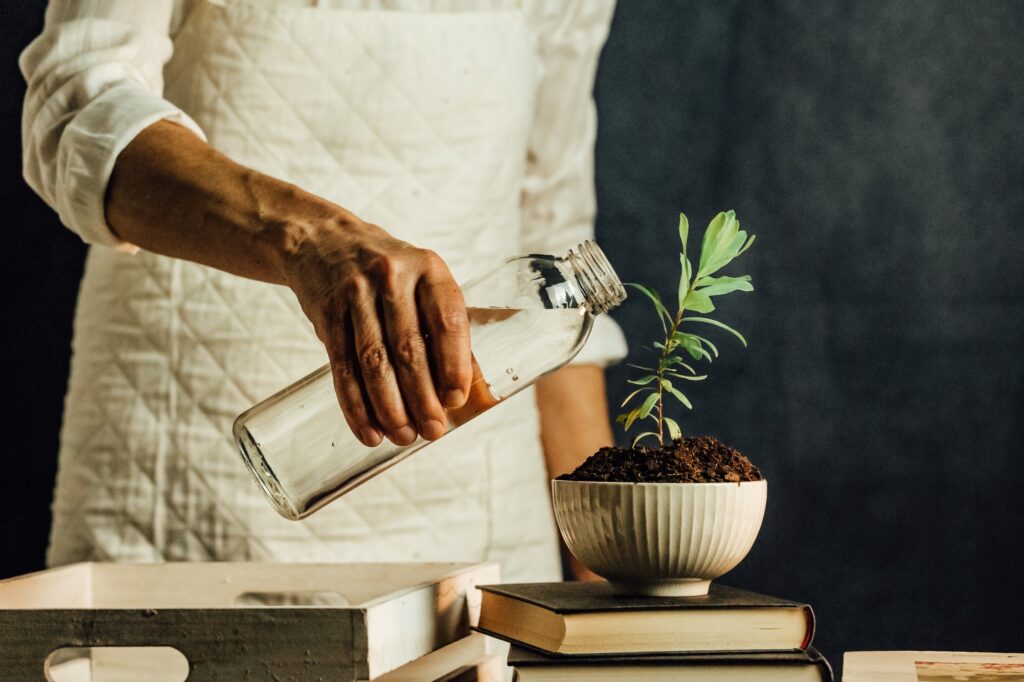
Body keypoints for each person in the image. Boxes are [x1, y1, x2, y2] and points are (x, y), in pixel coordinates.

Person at [20, 0, 626, 584]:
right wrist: (309, 239)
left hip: (475, 510)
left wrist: (611, 568)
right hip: (181, 471)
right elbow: (77, 108)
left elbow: (552, 226)